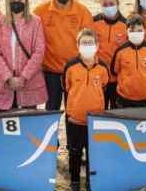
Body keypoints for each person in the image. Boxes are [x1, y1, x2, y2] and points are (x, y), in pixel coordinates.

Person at [34, 0, 94, 111]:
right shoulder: (40, 11)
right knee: (51, 110)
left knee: (73, 109)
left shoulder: (82, 11)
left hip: (74, 70)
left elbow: (90, 42)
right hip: (50, 71)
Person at [63, 29, 110, 191]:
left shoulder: (103, 68)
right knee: (75, 153)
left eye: (91, 43)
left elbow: (104, 87)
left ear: (97, 45)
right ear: (77, 45)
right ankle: (75, 180)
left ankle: (91, 181)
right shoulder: (70, 66)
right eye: (84, 43)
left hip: (95, 120)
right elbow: (67, 88)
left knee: (93, 154)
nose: (87, 46)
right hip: (75, 119)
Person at [0, 0, 47, 110]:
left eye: (20, 0)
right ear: (8, 1)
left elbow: (39, 51)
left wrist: (23, 77)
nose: (17, 3)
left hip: (29, 82)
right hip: (5, 84)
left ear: (26, 1)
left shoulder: (35, 22)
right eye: (13, 0)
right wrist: (8, 77)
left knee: (29, 125)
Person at [110, 15, 146, 107]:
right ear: (126, 31)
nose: (136, 33)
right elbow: (114, 71)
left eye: (139, 31)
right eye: (132, 31)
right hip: (124, 98)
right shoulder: (120, 51)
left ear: (145, 30)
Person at [93, 0, 128, 108]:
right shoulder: (94, 21)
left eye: (111, 4)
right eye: (105, 5)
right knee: (99, 109)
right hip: (98, 76)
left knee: (115, 111)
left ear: (118, 4)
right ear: (100, 5)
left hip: (117, 78)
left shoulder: (126, 24)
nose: (108, 7)